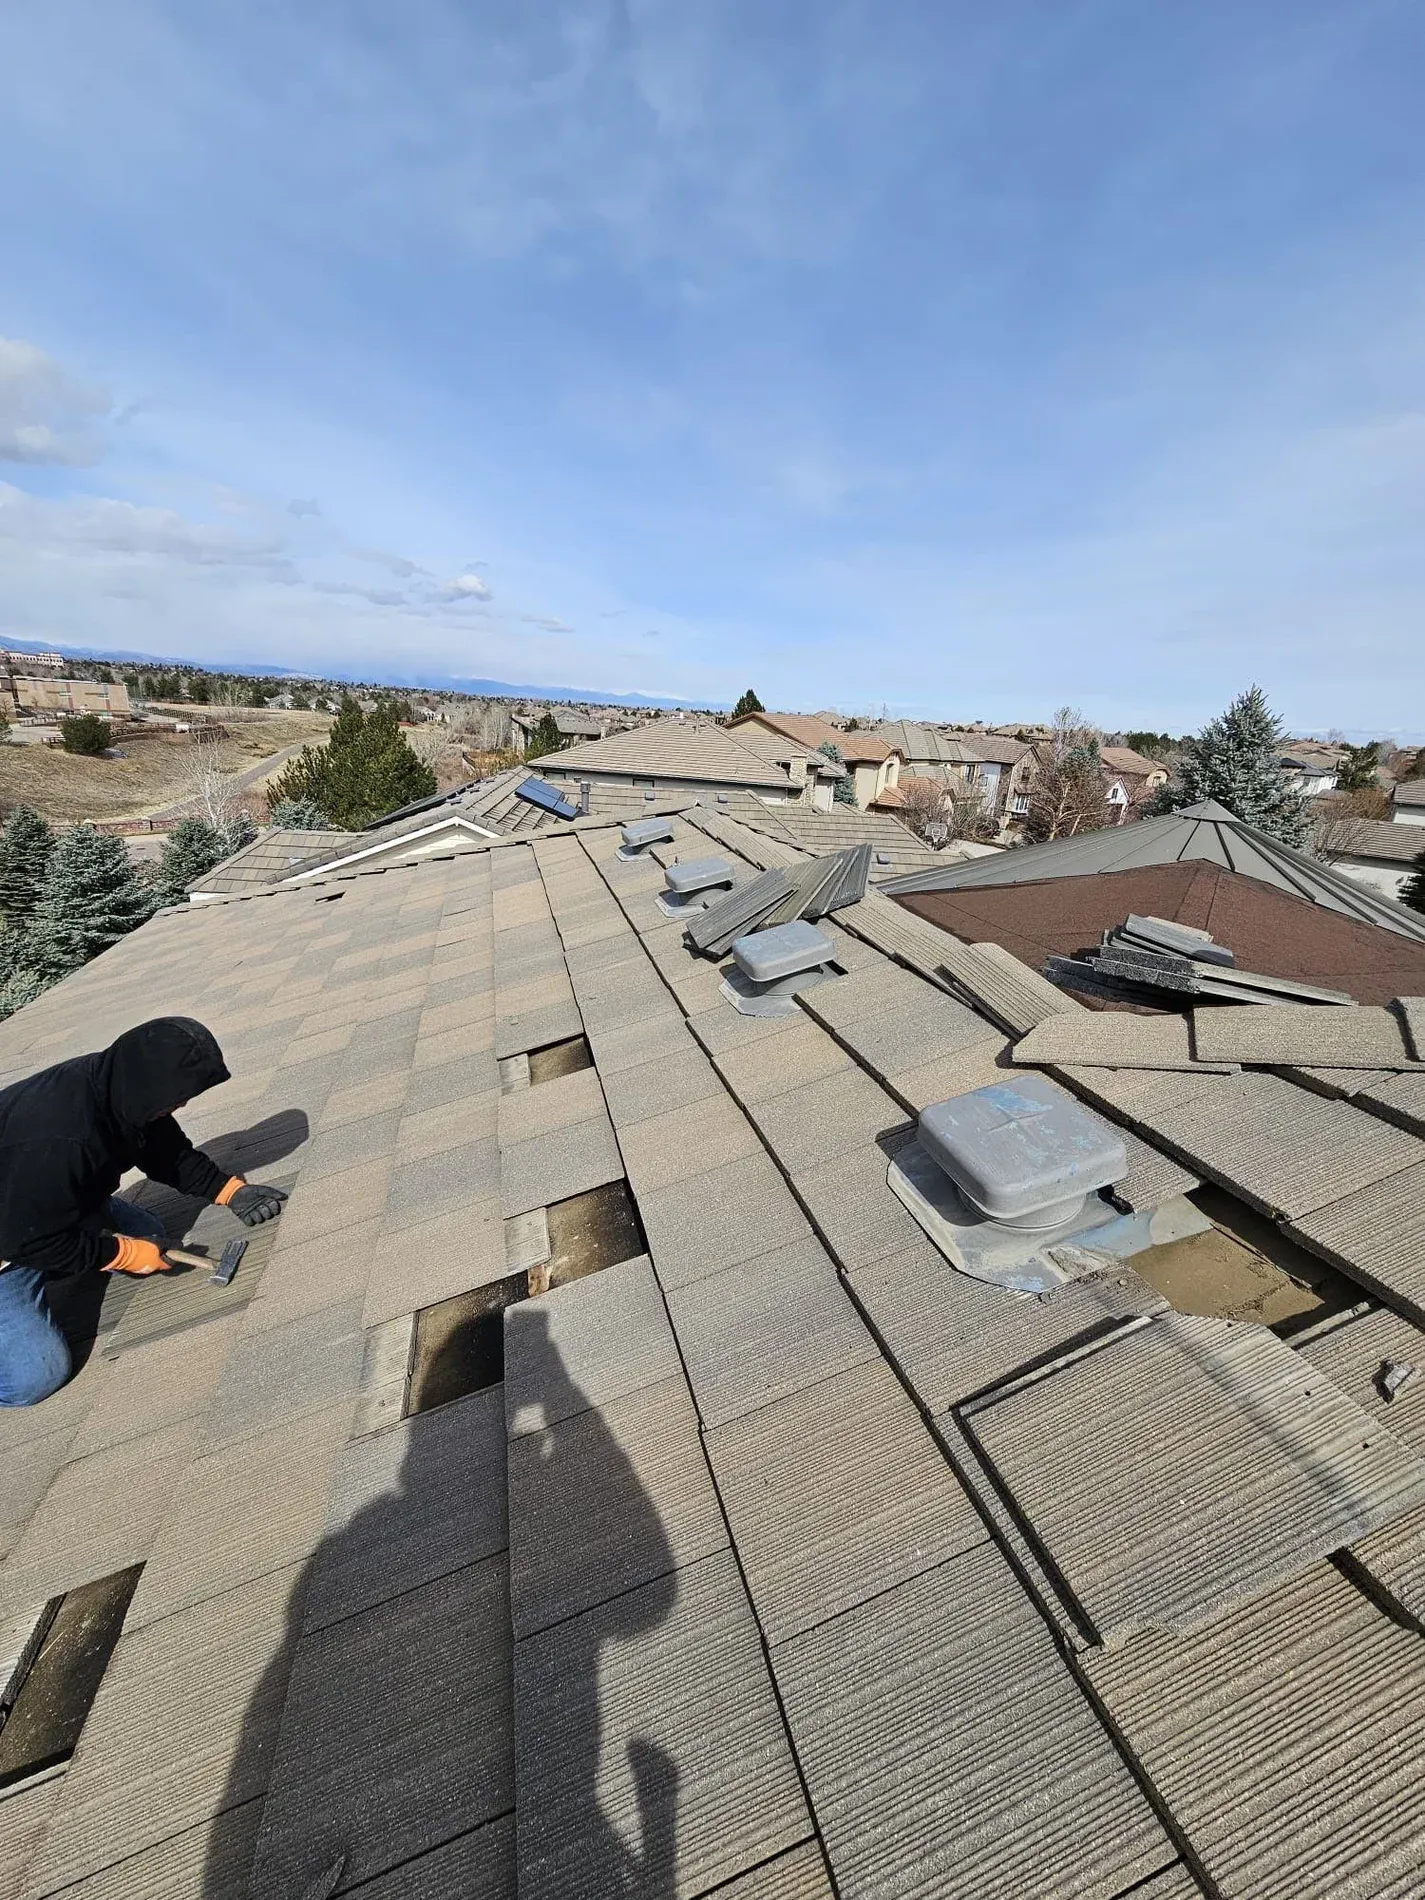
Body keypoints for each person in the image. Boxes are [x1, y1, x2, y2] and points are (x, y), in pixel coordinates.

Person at [0, 1016, 288, 1408]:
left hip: (34, 1203)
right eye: (176, 1098)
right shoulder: (64, 1138)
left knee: (148, 1230)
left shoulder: (117, 1089)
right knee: (37, 1374)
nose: (182, 1104)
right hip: (13, 1240)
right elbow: (23, 1237)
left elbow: (164, 1151)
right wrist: (121, 1253)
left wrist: (227, 1190)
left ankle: (68, 1226)